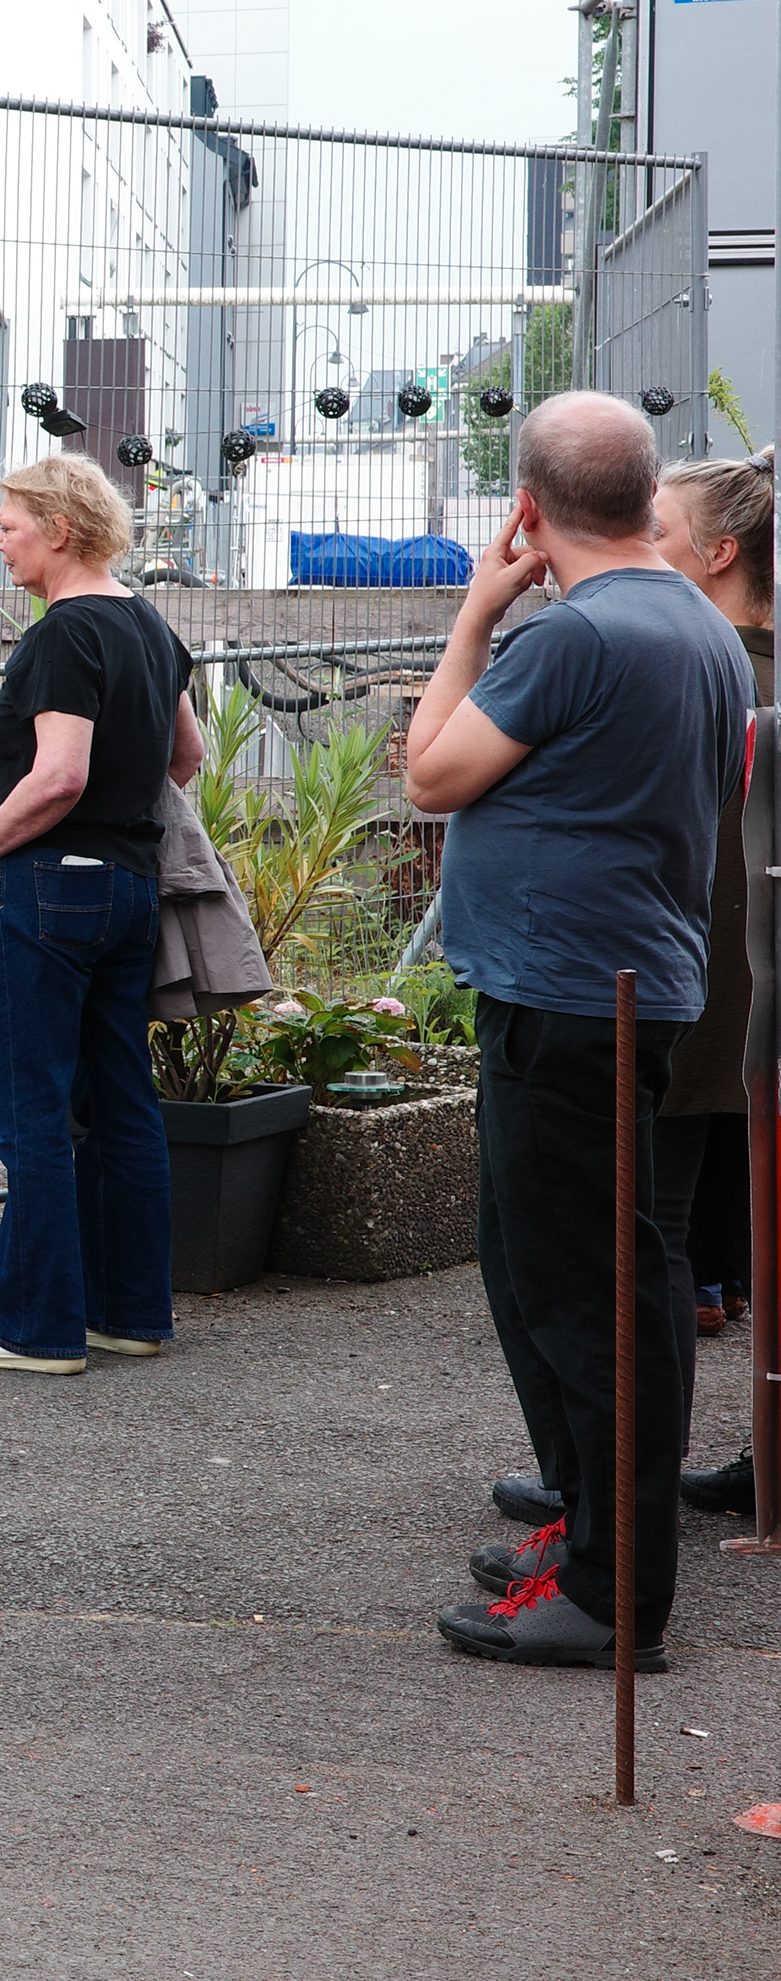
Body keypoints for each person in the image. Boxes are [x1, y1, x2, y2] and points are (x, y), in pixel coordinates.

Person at [405, 392, 748, 1669]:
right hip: (613, 987)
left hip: (567, 998)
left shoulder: (576, 634)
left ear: (529, 511)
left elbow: (430, 773)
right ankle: (594, 1535)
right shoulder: (697, 624)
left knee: (585, 1295)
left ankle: (613, 1596)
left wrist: (475, 615)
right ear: (648, 496)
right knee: (565, 1272)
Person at [0, 454, 204, 1376]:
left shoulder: (64, 632)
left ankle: (35, 1326)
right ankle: (128, 1311)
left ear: (59, 531)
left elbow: (58, 774)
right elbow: (186, 754)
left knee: (34, 1109)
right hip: (128, 887)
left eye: (9, 523)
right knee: (120, 1100)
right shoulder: (148, 625)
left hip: (45, 886)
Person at [650, 453, 770, 1525]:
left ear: (718, 552)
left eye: (656, 532)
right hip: (741, 1002)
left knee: (654, 1238)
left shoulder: (695, 670)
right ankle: (754, 1460)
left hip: (697, 999)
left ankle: (622, 1482)